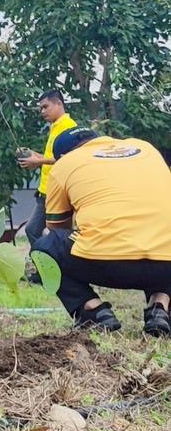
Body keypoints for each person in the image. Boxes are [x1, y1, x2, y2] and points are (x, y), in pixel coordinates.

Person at [32, 127, 171, 336]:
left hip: (107, 265)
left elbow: (57, 227)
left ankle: (93, 311)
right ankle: (160, 305)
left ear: (61, 155)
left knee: (45, 246)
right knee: (162, 233)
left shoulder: (65, 164)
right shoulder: (146, 148)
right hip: (165, 265)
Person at [18, 90, 77, 242]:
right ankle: (48, 255)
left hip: (57, 191)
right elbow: (52, 157)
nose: (42, 111)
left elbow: (68, 159)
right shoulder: (55, 126)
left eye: (45, 107)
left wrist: (37, 162)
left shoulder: (68, 126)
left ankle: (48, 256)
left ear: (59, 104)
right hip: (46, 190)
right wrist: (33, 154)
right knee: (43, 232)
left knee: (39, 231)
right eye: (41, 108)